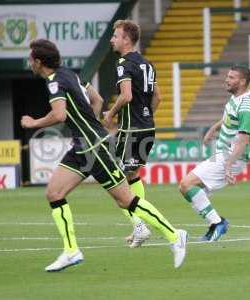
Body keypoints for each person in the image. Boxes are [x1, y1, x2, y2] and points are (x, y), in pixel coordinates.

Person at [21, 39, 187, 271]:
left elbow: (59, 115)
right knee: (54, 193)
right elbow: (97, 99)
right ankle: (71, 251)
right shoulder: (70, 73)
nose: (29, 63)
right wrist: (91, 125)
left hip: (94, 148)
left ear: (38, 62)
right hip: (83, 145)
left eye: (30, 59)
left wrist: (34, 122)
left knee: (126, 199)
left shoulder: (54, 82)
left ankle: (174, 235)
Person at [179, 65, 250, 241]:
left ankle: (217, 223)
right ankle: (215, 223)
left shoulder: (247, 107)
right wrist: (213, 129)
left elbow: (243, 140)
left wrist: (229, 165)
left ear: (243, 81)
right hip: (223, 153)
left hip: (230, 156)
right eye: (227, 76)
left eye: (231, 77)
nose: (226, 80)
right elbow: (229, 118)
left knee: (187, 184)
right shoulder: (236, 99)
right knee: (192, 191)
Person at [103, 20, 160, 248]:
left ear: (126, 39)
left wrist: (110, 114)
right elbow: (158, 98)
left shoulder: (123, 63)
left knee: (114, 182)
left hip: (130, 131)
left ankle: (139, 225)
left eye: (115, 36)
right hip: (147, 127)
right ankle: (139, 225)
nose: (112, 39)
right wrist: (145, 117)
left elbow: (126, 96)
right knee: (132, 176)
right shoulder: (147, 64)